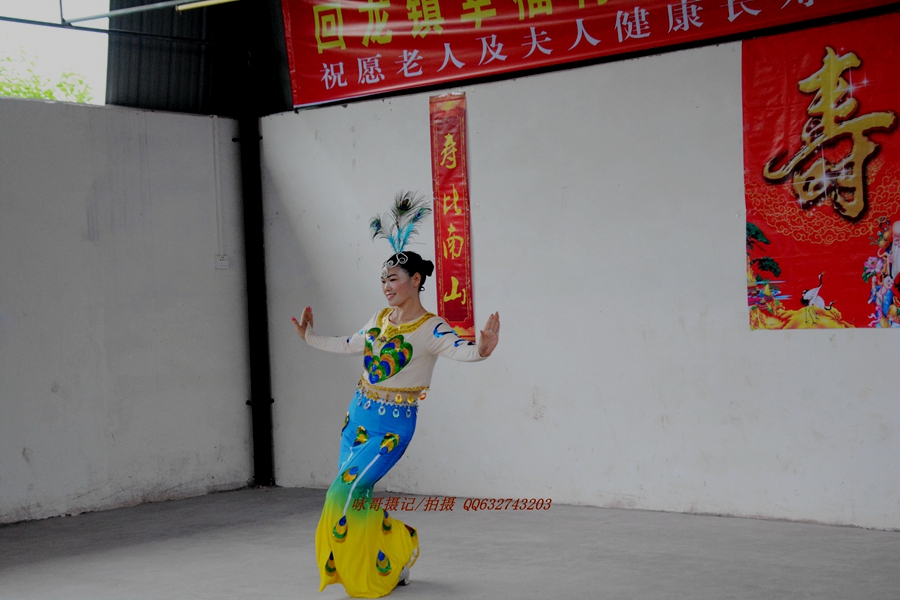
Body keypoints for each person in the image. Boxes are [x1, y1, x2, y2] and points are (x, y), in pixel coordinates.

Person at [292, 250, 499, 598]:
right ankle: (395, 552)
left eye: (393, 279)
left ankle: (384, 554)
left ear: (415, 280)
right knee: (358, 498)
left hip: (391, 429)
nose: (386, 287)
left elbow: (459, 349)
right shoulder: (380, 318)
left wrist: (481, 350)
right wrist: (309, 336)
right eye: (383, 281)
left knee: (341, 494)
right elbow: (350, 344)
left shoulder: (431, 327)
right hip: (356, 416)